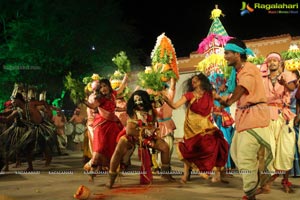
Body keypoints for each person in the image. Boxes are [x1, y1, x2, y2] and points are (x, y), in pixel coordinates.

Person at [218, 38, 273, 200]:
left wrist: (228, 101)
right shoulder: (239, 71)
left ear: (237, 54)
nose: (225, 56)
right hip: (244, 117)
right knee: (236, 153)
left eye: (227, 53)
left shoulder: (248, 69)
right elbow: (236, 90)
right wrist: (223, 100)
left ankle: (251, 193)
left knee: (245, 156)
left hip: (254, 116)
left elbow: (242, 88)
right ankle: (262, 183)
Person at [162, 73, 229, 184]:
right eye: (192, 81)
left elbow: (222, 101)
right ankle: (186, 175)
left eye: (196, 80)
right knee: (191, 149)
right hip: (192, 128)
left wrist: (225, 101)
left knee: (220, 143)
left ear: (202, 81)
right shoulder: (189, 95)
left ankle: (217, 174)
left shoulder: (210, 94)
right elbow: (175, 106)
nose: (193, 83)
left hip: (206, 125)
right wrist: (166, 99)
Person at [106, 90, 175, 189]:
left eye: (140, 99)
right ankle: (111, 179)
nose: (138, 102)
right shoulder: (133, 112)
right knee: (118, 150)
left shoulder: (151, 110)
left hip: (147, 137)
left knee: (165, 147)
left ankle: (165, 174)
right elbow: (130, 131)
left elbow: (154, 122)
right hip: (132, 136)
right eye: (136, 100)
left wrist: (152, 130)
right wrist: (144, 132)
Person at [261, 52, 297, 193]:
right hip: (267, 116)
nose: (272, 63)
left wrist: (285, 85)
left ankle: (285, 180)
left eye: (275, 61)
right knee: (269, 149)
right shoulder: (263, 79)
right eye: (270, 61)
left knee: (285, 150)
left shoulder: (287, 75)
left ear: (280, 63)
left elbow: (294, 88)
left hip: (284, 116)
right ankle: (267, 181)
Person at [83, 76, 127, 178]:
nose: (103, 88)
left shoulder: (113, 95)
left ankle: (113, 169)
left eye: (105, 86)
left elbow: (121, 88)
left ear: (109, 86)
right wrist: (83, 100)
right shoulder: (100, 98)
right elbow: (92, 106)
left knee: (113, 148)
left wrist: (126, 76)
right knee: (99, 148)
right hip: (101, 126)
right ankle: (92, 171)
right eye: (101, 87)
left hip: (112, 126)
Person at [152, 78, 176, 172]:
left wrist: (172, 73)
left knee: (168, 147)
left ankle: (165, 166)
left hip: (167, 124)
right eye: (157, 88)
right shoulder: (152, 98)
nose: (160, 89)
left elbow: (173, 86)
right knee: (155, 148)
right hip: (156, 125)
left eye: (162, 87)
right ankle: (157, 166)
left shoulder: (168, 96)